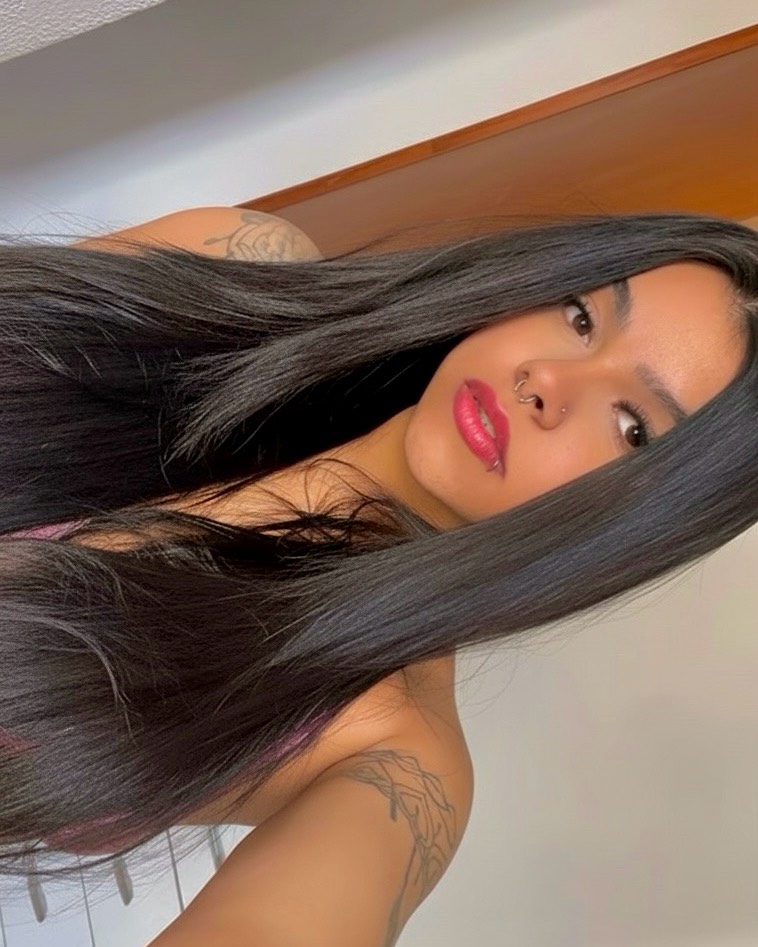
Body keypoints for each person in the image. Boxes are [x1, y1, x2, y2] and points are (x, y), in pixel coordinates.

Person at [0, 205, 756, 946]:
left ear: (640, 521)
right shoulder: (236, 265)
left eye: (631, 425)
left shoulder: (391, 750)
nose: (546, 380)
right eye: (581, 316)